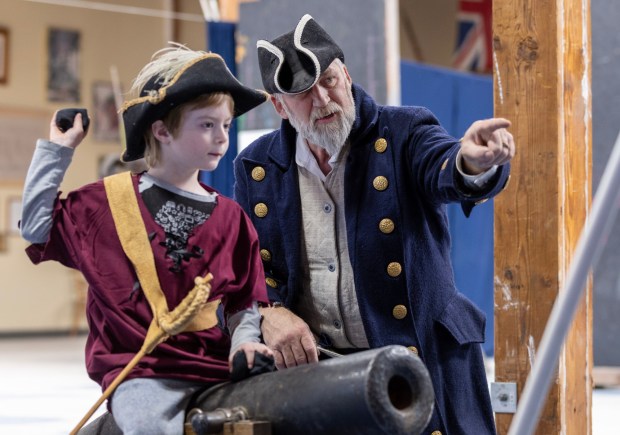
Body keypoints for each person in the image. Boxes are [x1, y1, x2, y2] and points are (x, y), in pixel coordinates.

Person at [233, 14, 515, 435]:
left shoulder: (404, 130)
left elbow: (443, 164)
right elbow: (249, 265)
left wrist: (469, 161)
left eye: (329, 80)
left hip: (421, 362)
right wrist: (270, 311)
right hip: (326, 379)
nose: (324, 99)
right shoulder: (256, 166)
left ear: (346, 74)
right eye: (304, 93)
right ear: (279, 105)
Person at [21, 46, 272, 434]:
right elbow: (35, 227)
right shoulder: (105, 204)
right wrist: (59, 149)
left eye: (225, 125)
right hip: (144, 371)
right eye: (207, 124)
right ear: (162, 130)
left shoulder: (231, 217)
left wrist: (245, 344)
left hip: (216, 366)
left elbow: (244, 303)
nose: (221, 137)